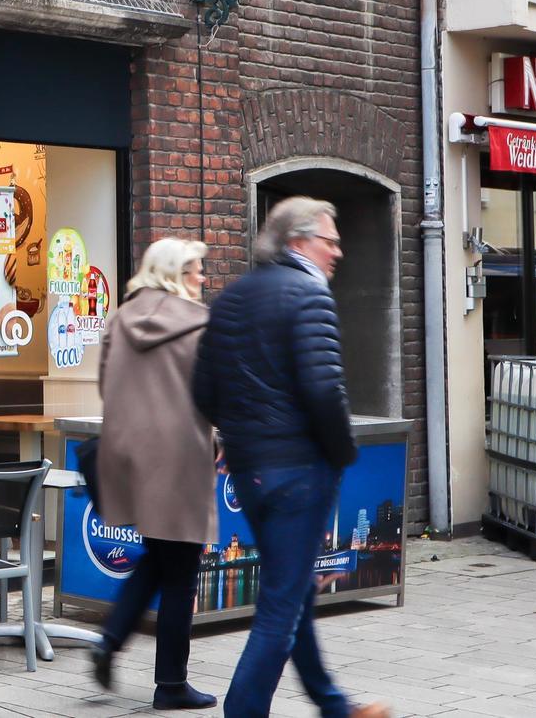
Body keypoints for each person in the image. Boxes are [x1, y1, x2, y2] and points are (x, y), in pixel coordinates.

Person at [191, 197, 388, 718]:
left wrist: (238, 436)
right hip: (300, 472)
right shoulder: (309, 294)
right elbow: (325, 392)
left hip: (251, 472)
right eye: (330, 240)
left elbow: (203, 389)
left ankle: (333, 705)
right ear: (297, 241)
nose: (338, 252)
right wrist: (342, 454)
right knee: (281, 604)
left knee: (293, 588)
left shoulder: (230, 298)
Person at [89, 238, 217, 710]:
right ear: (174, 274)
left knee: (161, 556)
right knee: (182, 567)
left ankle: (110, 641)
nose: (203, 280)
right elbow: (213, 393)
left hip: (129, 456)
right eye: (196, 271)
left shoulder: (118, 320)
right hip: (181, 457)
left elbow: (106, 386)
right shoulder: (199, 324)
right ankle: (171, 685)